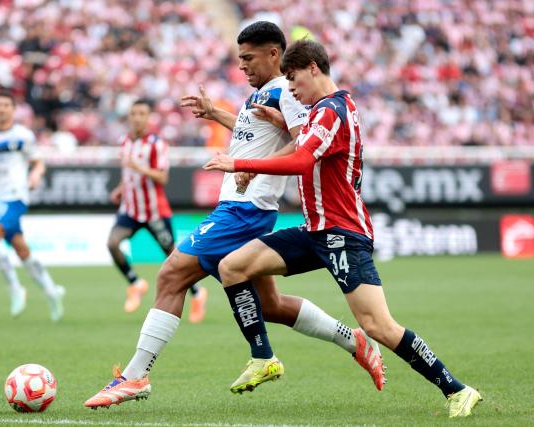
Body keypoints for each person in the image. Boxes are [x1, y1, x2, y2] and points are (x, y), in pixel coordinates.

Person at [84, 22, 384, 410]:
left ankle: (135, 375)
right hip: (244, 208)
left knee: (172, 274)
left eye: (248, 58)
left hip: (244, 209)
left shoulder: (287, 91)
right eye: (238, 58)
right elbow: (259, 133)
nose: (241, 66)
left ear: (273, 54)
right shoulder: (263, 94)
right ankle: (354, 340)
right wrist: (217, 115)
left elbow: (301, 143)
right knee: (271, 305)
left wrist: (254, 165)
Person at [204, 39, 481, 418]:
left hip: (342, 233)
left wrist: (239, 164)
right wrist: (280, 122)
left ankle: (458, 389)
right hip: (315, 229)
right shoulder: (325, 110)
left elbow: (302, 160)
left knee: (378, 325)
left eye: (293, 78)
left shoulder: (332, 111)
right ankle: (263, 357)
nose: (291, 87)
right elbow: (306, 145)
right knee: (232, 267)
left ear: (313, 68)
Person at [0, 91, 64, 322]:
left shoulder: (23, 136)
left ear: (13, 110)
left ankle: (16, 289)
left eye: (6, 105)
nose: (2, 109)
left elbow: (38, 162)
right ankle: (52, 291)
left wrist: (36, 175)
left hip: (15, 195)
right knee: (21, 249)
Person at [108, 99, 208, 322]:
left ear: (148, 117)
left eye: (141, 113)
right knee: (112, 244)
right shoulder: (124, 142)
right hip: (130, 210)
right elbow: (129, 175)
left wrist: (139, 167)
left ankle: (198, 293)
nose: (137, 118)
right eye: (133, 113)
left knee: (174, 259)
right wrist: (120, 189)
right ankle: (135, 283)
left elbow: (162, 177)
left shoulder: (156, 144)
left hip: (155, 212)